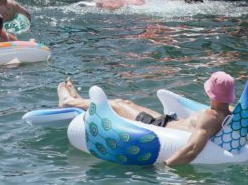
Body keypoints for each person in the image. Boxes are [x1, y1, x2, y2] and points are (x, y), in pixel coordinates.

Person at [56, 71, 237, 167]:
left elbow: (193, 148)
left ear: (212, 95)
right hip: (165, 120)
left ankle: (69, 101)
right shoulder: (230, 112)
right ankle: (78, 101)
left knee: (119, 104)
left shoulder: (210, 116)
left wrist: (166, 165)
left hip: (159, 126)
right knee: (127, 103)